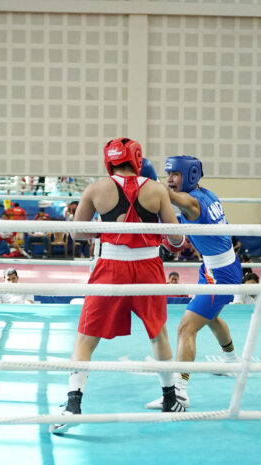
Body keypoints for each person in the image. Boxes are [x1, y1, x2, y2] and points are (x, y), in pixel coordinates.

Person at [50, 137, 185, 434]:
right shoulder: (157, 189)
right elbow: (177, 241)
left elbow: (78, 235)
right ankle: (169, 398)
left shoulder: (96, 189)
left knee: (86, 338)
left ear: (109, 159)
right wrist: (162, 236)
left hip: (110, 266)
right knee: (158, 333)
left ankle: (73, 404)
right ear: (137, 158)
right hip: (149, 267)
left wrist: (107, 229)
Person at [145, 155, 243, 411]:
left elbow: (169, 196)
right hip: (216, 267)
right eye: (168, 175)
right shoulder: (206, 192)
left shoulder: (192, 201)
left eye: (175, 175)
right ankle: (231, 359)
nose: (170, 180)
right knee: (209, 317)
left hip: (219, 274)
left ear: (188, 176)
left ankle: (180, 392)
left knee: (186, 328)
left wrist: (145, 180)